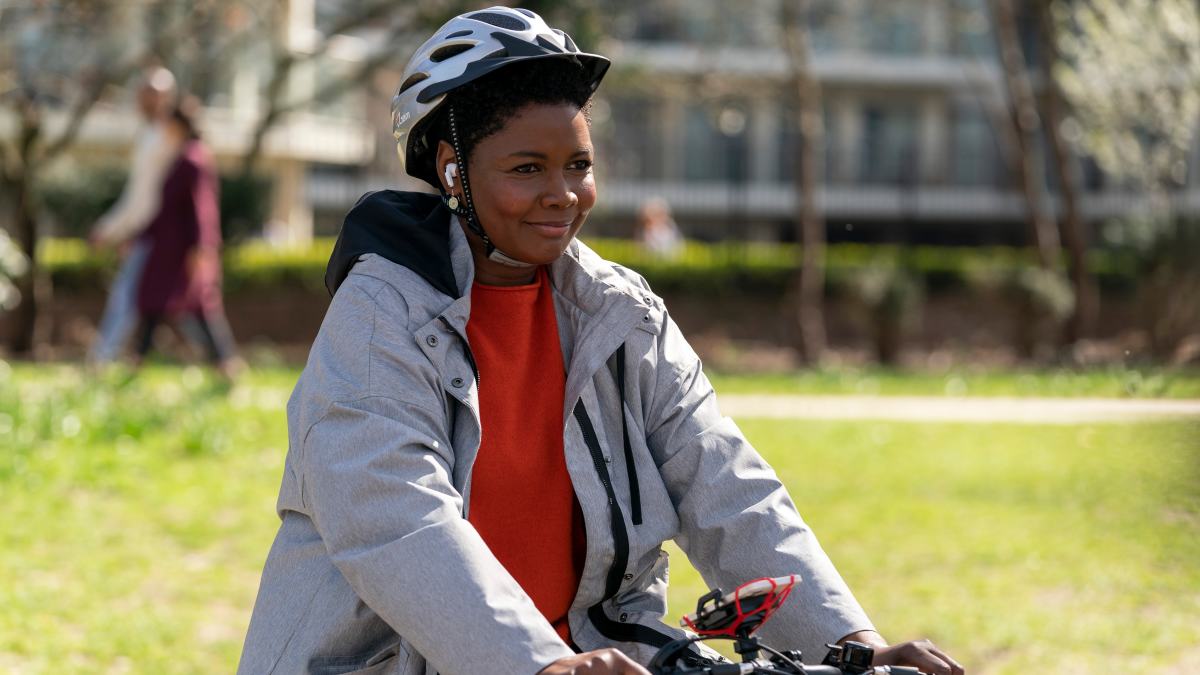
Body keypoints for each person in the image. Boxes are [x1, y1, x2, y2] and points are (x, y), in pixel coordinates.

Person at [238, 8, 963, 675]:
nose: (564, 194)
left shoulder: (620, 311)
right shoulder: (380, 315)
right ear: (452, 173)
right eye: (528, 169)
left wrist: (852, 644)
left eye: (578, 165)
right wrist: (540, 663)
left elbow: (726, 483)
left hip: (598, 654)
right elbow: (397, 522)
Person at [132, 99, 241, 379]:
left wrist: (199, 248)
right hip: (171, 249)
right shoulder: (186, 156)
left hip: (183, 251)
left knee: (199, 306)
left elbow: (199, 209)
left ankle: (226, 364)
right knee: (157, 305)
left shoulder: (193, 159)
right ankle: (137, 359)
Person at [88, 66, 179, 365]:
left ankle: (102, 359)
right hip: (148, 232)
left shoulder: (167, 138)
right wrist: (114, 229)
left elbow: (145, 198)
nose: (148, 100)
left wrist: (114, 230)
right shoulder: (151, 135)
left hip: (157, 234)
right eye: (144, 93)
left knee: (128, 298)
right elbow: (137, 193)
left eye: (155, 93)